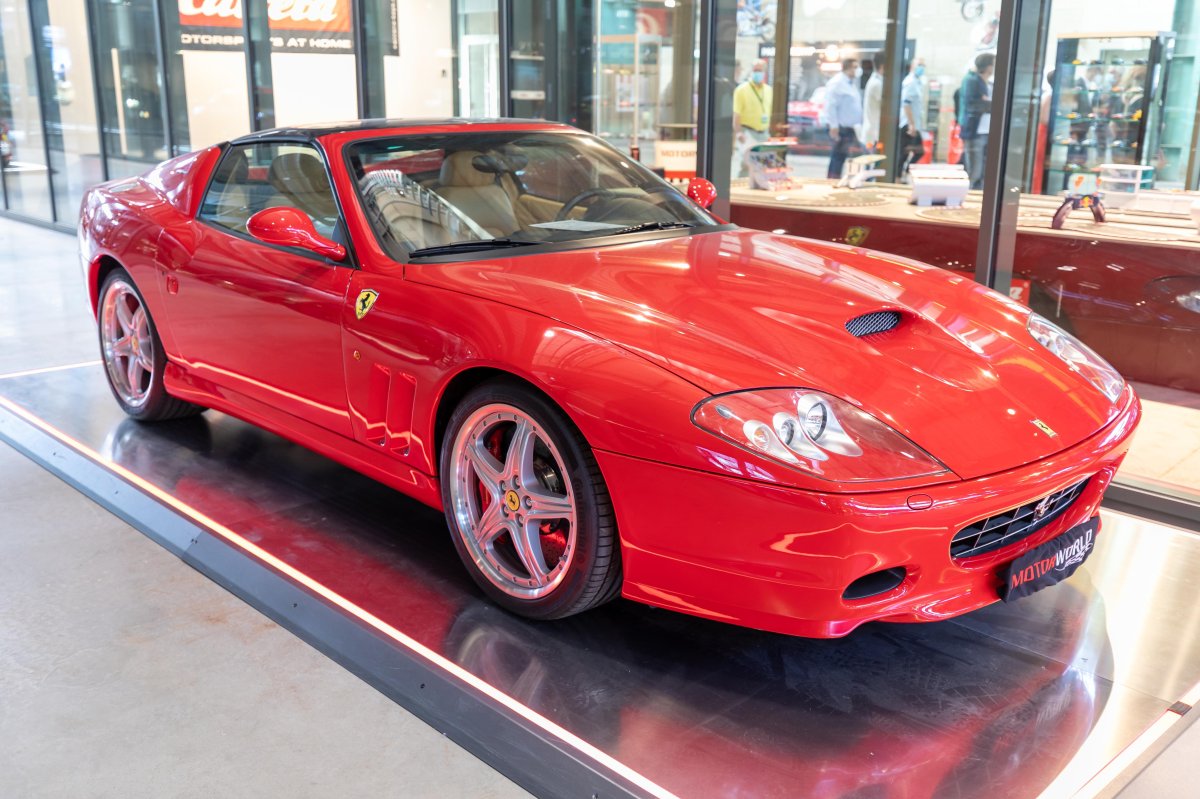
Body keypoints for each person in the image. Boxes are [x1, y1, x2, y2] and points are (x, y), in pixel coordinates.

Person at [821, 58, 863, 180]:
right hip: (840, 128)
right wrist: (833, 126)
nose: (857, 70)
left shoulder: (850, 83)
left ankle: (838, 179)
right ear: (848, 68)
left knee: (843, 156)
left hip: (851, 127)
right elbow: (831, 106)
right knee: (838, 157)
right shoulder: (837, 83)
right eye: (855, 67)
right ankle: (832, 181)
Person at [959, 52, 995, 190]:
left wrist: (987, 103)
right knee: (974, 170)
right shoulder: (972, 80)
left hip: (987, 130)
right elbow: (972, 104)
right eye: (993, 63)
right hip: (975, 130)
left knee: (985, 171)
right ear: (988, 66)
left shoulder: (989, 83)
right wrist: (990, 105)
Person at [732, 60, 773, 178]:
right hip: (748, 132)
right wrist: (738, 132)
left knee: (763, 165)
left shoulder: (768, 90)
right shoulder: (742, 90)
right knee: (747, 165)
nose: (757, 73)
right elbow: (736, 114)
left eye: (760, 71)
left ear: (764, 72)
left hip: (764, 133)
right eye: (755, 70)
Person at [900, 58, 927, 171]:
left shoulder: (917, 82)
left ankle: (904, 173)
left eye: (923, 65)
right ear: (912, 66)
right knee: (906, 153)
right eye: (919, 65)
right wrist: (911, 124)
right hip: (907, 124)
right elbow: (906, 104)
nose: (922, 68)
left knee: (913, 152)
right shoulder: (910, 82)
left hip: (914, 123)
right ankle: (899, 176)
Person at [862, 56, 884, 152]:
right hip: (874, 132)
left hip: (874, 131)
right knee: (873, 162)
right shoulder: (877, 84)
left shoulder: (877, 81)